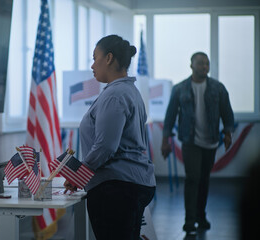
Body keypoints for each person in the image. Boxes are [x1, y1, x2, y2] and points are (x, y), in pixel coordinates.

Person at [64, 35, 156, 240]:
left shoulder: (115, 95)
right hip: (130, 183)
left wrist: (79, 174)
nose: (92, 65)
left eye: (95, 58)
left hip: (116, 188)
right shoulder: (129, 90)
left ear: (109, 58)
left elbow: (106, 146)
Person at [161, 52, 234, 236]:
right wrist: (165, 139)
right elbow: (170, 115)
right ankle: (189, 220)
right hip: (189, 140)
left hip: (210, 140)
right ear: (191, 65)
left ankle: (201, 216)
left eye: (207, 63)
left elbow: (227, 112)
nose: (204, 66)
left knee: (204, 180)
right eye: (201, 63)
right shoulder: (180, 89)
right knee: (192, 178)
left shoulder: (218, 88)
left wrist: (227, 133)